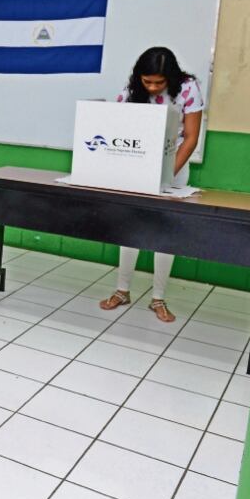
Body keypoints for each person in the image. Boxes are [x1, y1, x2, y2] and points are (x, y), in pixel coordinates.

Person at [99, 47, 204, 322]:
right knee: (130, 229)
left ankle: (158, 298)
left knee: (164, 234)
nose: (154, 87)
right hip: (137, 164)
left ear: (171, 77)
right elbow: (119, 127)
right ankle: (122, 290)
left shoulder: (188, 88)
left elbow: (191, 137)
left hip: (175, 166)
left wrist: (165, 175)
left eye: (160, 82)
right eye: (148, 82)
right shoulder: (131, 89)